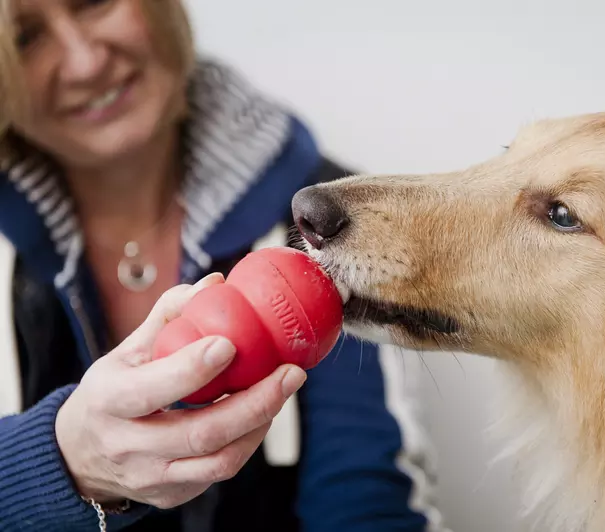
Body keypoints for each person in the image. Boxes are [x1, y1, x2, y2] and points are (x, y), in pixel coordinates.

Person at [0, 0, 447, 531]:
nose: (86, 61)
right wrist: (58, 463)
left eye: (94, 2)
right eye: (25, 38)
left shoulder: (326, 223)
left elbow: (365, 500)